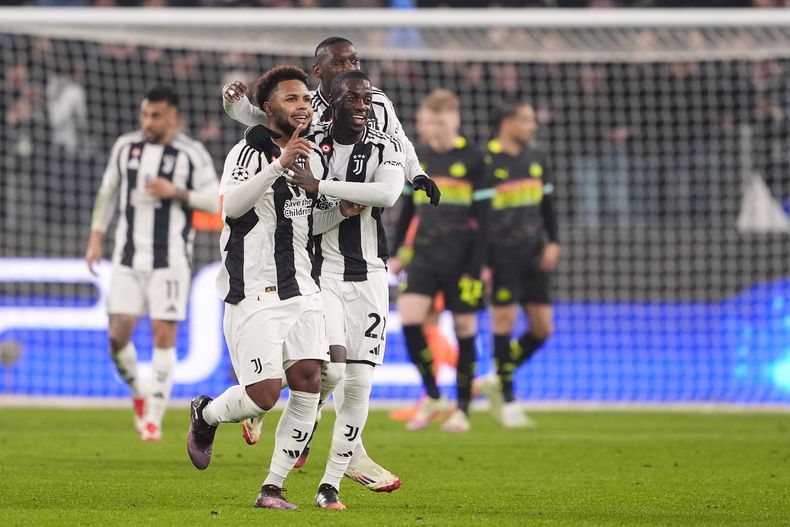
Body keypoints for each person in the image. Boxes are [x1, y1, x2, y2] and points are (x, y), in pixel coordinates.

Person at [222, 36, 430, 492]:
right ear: (321, 72)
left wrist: (415, 172)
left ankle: (340, 454)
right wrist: (243, 117)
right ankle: (324, 448)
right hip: (315, 262)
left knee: (348, 378)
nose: (349, 67)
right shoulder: (308, 118)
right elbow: (265, 120)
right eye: (340, 63)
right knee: (329, 370)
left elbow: (400, 142)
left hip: (370, 263)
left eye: (354, 61)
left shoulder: (376, 110)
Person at [186, 65, 328, 510]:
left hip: (302, 287)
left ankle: (273, 487)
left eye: (305, 98)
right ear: (268, 108)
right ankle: (206, 414)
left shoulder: (313, 154)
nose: (302, 105)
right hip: (254, 290)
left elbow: (305, 219)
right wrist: (278, 166)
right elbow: (232, 209)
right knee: (263, 396)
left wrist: (339, 210)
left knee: (310, 383)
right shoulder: (246, 153)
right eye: (291, 99)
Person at [286, 69, 405, 510]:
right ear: (330, 101)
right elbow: (307, 221)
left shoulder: (386, 145)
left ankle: (330, 484)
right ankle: (274, 402)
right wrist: (335, 208)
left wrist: (324, 188)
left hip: (372, 277)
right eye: (352, 98)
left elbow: (388, 194)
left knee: (359, 386)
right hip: (325, 276)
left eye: (365, 99)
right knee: (332, 372)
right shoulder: (312, 149)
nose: (361, 105)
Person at [85, 85, 219, 442]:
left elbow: (213, 200)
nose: (148, 121)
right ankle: (140, 391)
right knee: (117, 336)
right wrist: (96, 237)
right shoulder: (125, 147)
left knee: (164, 336)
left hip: (170, 259)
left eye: (155, 115)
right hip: (127, 257)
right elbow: (107, 193)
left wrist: (176, 192)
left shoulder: (191, 153)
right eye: (145, 114)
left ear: (172, 117)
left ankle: (154, 420)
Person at [388, 89, 490, 433]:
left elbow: (485, 218)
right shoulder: (419, 159)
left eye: (441, 121)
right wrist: (397, 251)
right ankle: (433, 394)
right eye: (430, 121)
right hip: (426, 255)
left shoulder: (475, 159)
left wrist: (478, 265)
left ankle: (462, 408)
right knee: (410, 318)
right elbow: (406, 210)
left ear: (456, 120)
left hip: (463, 259)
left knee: (465, 331)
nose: (435, 128)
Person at [476, 101, 560, 429]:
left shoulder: (538, 158)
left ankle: (496, 376)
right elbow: (478, 217)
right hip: (500, 255)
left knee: (542, 329)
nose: (532, 126)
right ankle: (509, 401)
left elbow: (549, 205)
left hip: (534, 253)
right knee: (503, 322)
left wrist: (552, 241)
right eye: (526, 120)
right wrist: (481, 262)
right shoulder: (485, 160)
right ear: (507, 122)